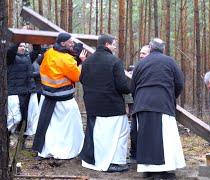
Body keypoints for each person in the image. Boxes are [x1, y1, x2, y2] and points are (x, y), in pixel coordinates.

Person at [131, 38, 185, 179]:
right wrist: (170, 96)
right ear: (163, 49)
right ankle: (164, 170)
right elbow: (179, 83)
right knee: (164, 138)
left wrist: (139, 99)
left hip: (142, 104)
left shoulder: (141, 64)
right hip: (162, 103)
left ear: (150, 47)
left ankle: (148, 170)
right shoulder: (170, 62)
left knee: (145, 138)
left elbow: (133, 85)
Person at [79, 34, 130, 172]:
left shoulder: (87, 62)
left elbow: (82, 79)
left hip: (93, 106)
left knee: (98, 135)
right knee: (119, 133)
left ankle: (98, 161)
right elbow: (122, 86)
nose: (115, 47)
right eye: (114, 44)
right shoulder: (115, 61)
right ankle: (113, 162)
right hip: (112, 106)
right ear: (107, 44)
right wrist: (132, 88)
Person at [32, 33, 86, 160]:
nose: (72, 44)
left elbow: (54, 66)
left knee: (50, 128)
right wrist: (81, 61)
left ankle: (47, 149)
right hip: (64, 99)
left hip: (48, 97)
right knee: (69, 127)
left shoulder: (50, 52)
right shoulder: (66, 59)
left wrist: (74, 58)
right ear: (63, 44)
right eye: (70, 42)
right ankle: (66, 150)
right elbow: (77, 76)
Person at [6, 42, 41, 144]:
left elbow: (36, 51)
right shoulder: (9, 57)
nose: (23, 48)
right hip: (14, 92)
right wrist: (19, 38)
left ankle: (21, 142)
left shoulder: (27, 58)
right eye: (20, 46)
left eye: (24, 46)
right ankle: (6, 136)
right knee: (14, 118)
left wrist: (35, 39)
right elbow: (11, 50)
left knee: (28, 119)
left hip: (28, 92)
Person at [128, 45, 150, 163]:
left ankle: (144, 155)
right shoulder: (137, 67)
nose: (141, 55)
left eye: (144, 53)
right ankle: (134, 154)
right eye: (141, 53)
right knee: (134, 130)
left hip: (149, 104)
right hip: (136, 103)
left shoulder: (153, 67)